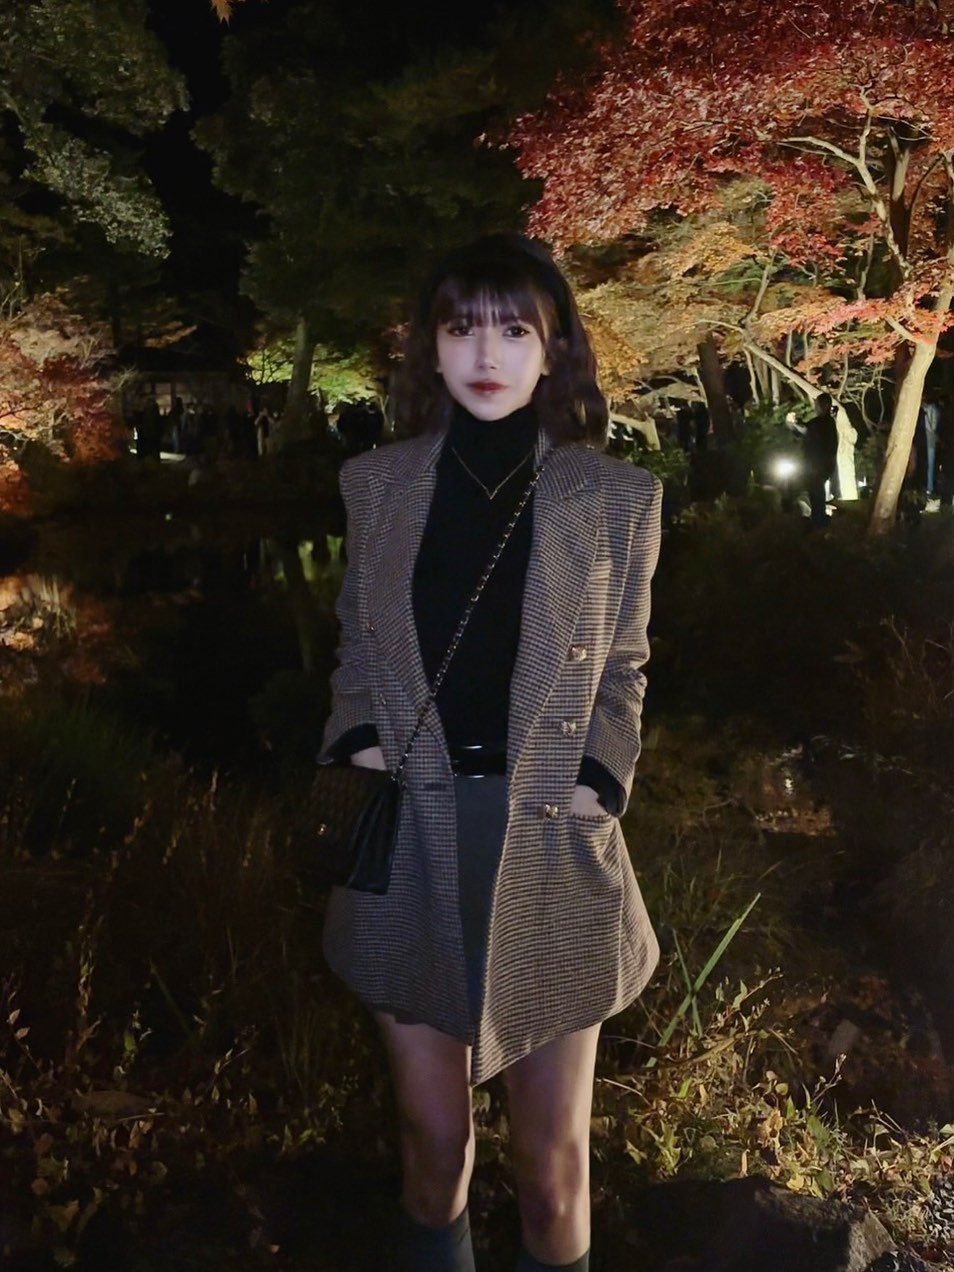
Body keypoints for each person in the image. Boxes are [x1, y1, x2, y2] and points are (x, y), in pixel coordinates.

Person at [320, 234, 663, 1272]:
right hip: (413, 840)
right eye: (461, 327)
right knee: (434, 1147)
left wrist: (601, 778)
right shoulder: (376, 485)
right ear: (429, 346)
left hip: (551, 838)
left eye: (514, 330)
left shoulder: (614, 497)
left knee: (553, 1170)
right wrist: (356, 736)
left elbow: (625, 664)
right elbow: (356, 643)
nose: (485, 353)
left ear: (554, 351)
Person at [802, 393, 839, 527]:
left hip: (818, 465)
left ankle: (818, 520)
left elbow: (806, 430)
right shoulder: (827, 423)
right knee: (815, 491)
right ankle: (818, 518)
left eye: (817, 405)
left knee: (816, 491)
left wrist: (794, 424)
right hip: (822, 464)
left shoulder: (822, 423)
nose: (815, 407)